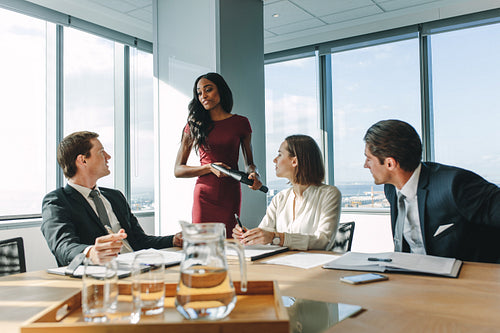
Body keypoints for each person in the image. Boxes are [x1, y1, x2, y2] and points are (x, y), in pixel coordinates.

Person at [363, 119, 500, 263]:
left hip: (466, 279)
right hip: (412, 276)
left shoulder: (455, 184)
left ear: (390, 163)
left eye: (369, 159)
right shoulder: (391, 188)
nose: (365, 165)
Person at [42, 131, 182, 266]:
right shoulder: (57, 202)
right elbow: (63, 246)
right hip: (102, 276)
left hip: (139, 268)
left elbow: (140, 241)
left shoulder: (115, 197)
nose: (108, 157)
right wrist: (90, 253)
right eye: (101, 152)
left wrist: (173, 240)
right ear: (83, 160)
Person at [174, 72, 263, 237]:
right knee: (202, 245)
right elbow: (178, 170)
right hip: (204, 195)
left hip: (230, 193)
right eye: (199, 93)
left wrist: (255, 174)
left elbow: (250, 162)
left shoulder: (241, 123)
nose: (203, 96)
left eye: (208, 90)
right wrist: (209, 167)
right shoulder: (193, 125)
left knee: (229, 242)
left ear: (221, 91)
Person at [233, 135, 341, 250]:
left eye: (279, 154)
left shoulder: (329, 194)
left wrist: (278, 238)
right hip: (281, 265)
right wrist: (249, 236)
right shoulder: (280, 198)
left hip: (311, 266)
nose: (275, 160)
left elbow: (324, 241)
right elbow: (265, 234)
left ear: (294, 161)